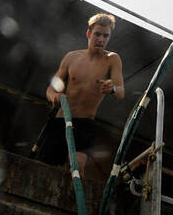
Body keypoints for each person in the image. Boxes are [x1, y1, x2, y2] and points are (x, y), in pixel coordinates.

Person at [33, 12, 125, 175]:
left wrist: (112, 89)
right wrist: (55, 96)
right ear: (89, 33)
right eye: (97, 34)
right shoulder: (71, 57)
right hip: (61, 120)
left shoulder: (112, 59)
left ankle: (71, 199)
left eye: (106, 36)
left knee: (77, 168)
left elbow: (121, 92)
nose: (101, 40)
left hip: (84, 123)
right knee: (42, 169)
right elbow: (50, 89)